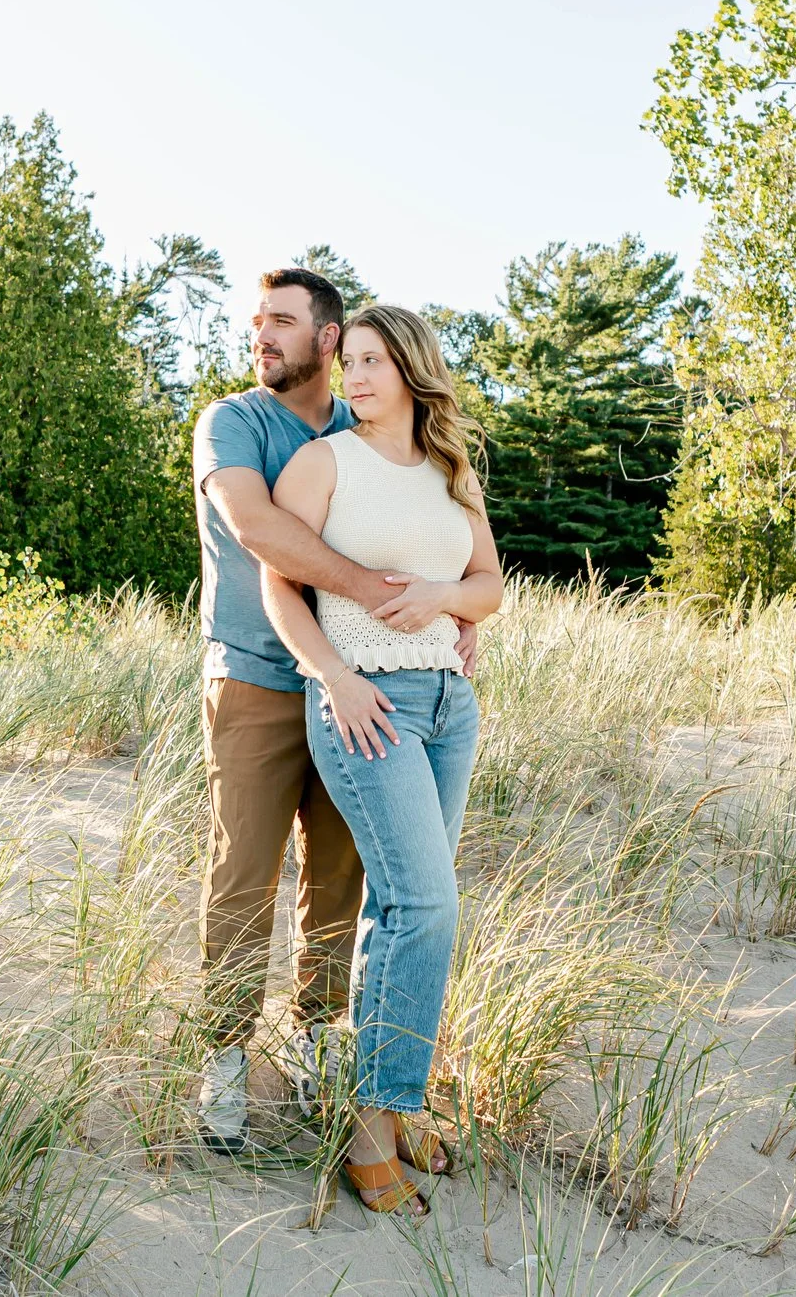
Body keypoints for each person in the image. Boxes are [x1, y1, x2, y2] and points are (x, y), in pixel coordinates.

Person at [189, 268, 477, 1152]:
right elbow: (258, 531)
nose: (261, 335)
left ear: (328, 337)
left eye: (281, 321)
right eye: (256, 322)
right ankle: (224, 1056)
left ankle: (316, 1042)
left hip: (370, 692)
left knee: (344, 884)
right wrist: (387, 592)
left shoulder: (366, 429)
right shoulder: (235, 422)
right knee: (244, 874)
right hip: (261, 677)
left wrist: (454, 611)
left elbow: (428, 529)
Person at [260, 304, 504, 1217]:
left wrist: (448, 596)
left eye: (370, 360)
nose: (353, 376)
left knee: (405, 913)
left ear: (411, 368)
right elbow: (277, 581)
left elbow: (490, 585)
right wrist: (333, 675)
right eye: (347, 360)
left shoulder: (452, 471)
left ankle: (390, 1107)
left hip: (448, 706)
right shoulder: (326, 462)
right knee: (425, 902)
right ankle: (372, 1131)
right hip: (367, 704)